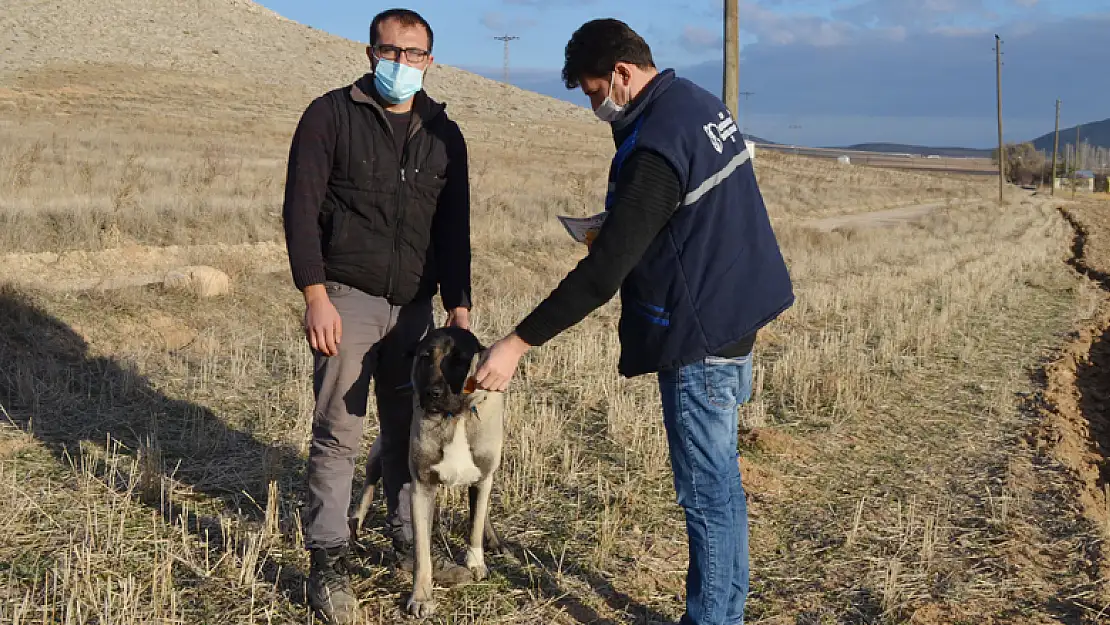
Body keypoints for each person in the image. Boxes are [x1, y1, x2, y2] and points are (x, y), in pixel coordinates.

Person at [474, 18, 795, 625]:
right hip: (735, 311)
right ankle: (723, 611)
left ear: (622, 73)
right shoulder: (696, 102)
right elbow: (685, 211)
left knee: (706, 494)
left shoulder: (656, 141)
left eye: (595, 92)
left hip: (701, 334)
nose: (595, 104)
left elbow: (603, 277)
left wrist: (516, 343)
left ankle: (714, 619)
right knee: (722, 486)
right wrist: (621, 223)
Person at [281, 8, 473, 623]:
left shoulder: (446, 133)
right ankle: (328, 562)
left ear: (429, 61)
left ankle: (404, 541)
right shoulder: (329, 116)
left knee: (405, 434)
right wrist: (315, 294)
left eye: (413, 55)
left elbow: (454, 228)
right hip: (348, 297)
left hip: (416, 312)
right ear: (369, 54)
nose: (401, 64)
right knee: (339, 433)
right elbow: (301, 209)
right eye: (390, 52)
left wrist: (459, 305)